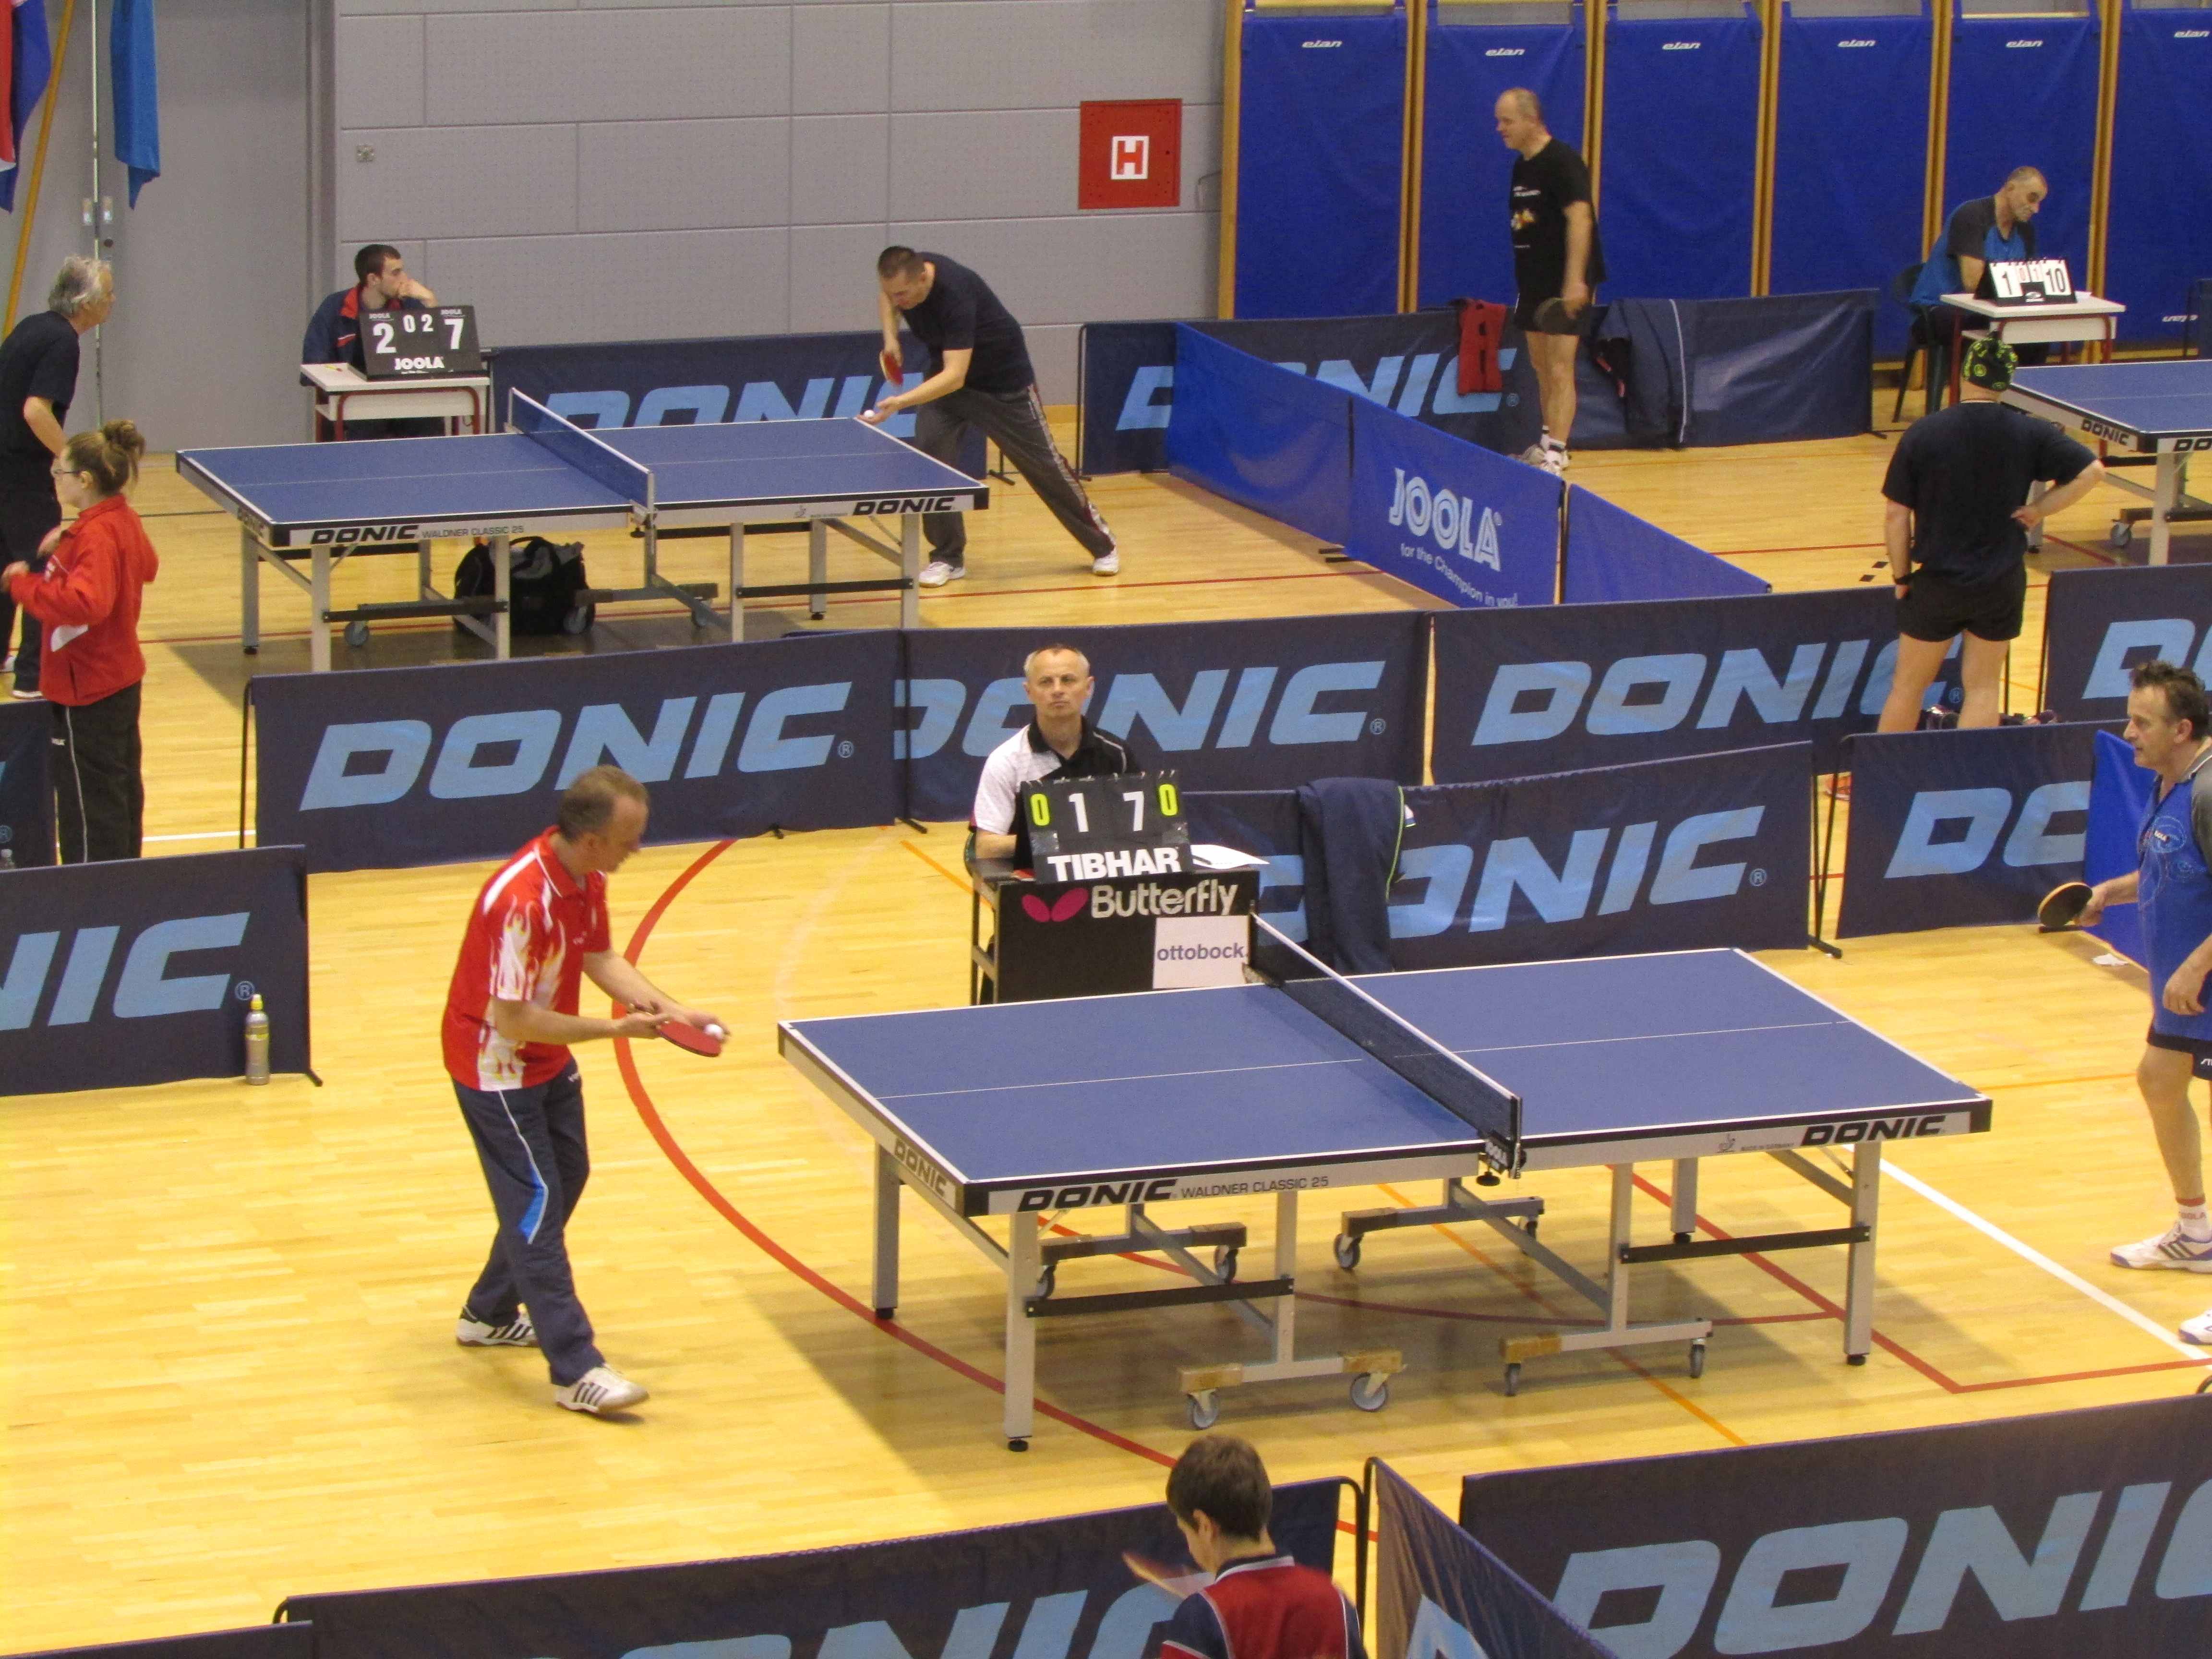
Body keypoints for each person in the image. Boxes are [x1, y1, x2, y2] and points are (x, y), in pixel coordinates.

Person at [440, 766, 722, 1415]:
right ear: (592, 839)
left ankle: (488, 1313)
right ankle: (576, 1369)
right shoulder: (521, 903)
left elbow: (599, 958)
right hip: (496, 1067)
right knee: (537, 1204)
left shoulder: (586, 876)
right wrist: (615, 1029)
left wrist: (673, 1011)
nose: (637, 850)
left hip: (546, 1055)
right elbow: (513, 1018)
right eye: (630, 839)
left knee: (567, 1174)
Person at [1875, 336, 2101, 733]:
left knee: (1908, 688)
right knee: (1982, 688)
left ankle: (1885, 771)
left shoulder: (1925, 432)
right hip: (2001, 581)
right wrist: (2039, 510)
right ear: (2006, 383)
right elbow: (2092, 472)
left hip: (1939, 582)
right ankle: (1972, 772)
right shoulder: (2030, 431)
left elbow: (1897, 514)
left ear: (1964, 374)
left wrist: (1901, 576)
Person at [864, 246, 1118, 588]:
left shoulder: (956, 294)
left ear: (923, 277)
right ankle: (947, 557)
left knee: (1044, 467)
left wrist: (901, 402)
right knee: (931, 460)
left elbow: (956, 376)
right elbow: (887, 297)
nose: (899, 301)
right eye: (893, 293)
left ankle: (1103, 545)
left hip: (1002, 387)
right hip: (947, 387)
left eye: (904, 294)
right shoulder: (904, 276)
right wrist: (891, 339)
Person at [2086, 662, 2212, 1343]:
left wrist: (2195, 965)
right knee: (2161, 1082)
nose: (2129, 733)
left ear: (2182, 729)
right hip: (2186, 995)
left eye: (2143, 722)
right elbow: (2175, 867)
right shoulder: (2170, 783)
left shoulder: (2211, 792)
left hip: (2202, 982)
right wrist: (2112, 892)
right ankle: (2196, 1234)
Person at [1, 421, 155, 862]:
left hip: (86, 688)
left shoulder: (96, 535)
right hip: (118, 678)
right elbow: (147, 564)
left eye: (60, 471)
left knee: (88, 803)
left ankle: (92, 886)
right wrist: (72, 538)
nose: (56, 478)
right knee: (119, 788)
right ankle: (123, 876)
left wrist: (24, 586)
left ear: (85, 480)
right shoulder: (119, 519)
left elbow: (87, 603)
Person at [0, 256, 113, 701]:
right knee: (41, 564)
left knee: (6, 562)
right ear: (86, 303)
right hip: (21, 471)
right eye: (109, 294)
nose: (113, 301)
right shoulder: (63, 342)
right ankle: (31, 677)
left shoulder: (33, 326)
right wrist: (69, 459)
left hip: (4, 467)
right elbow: (36, 410)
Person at [1156, 1435, 1365, 1659]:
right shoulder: (1335, 1600)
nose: (1189, 1548)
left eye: (1185, 1531)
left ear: (1204, 1526)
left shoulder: (1202, 1617)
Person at [1495, 88, 1603, 477]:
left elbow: (1581, 219)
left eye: (1507, 121)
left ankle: (1558, 453)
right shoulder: (1522, 167)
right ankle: (1545, 445)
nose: (1500, 128)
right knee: (1540, 366)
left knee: (1560, 368)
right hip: (1533, 280)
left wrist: (1575, 281)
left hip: (1564, 280)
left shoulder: (1563, 162)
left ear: (1531, 120)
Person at [970, 643, 1142, 865]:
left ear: (1088, 687)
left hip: (1103, 875)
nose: (1058, 690)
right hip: (1032, 878)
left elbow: (1145, 830)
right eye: (1046, 682)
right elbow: (986, 847)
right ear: (1029, 692)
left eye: (1068, 680)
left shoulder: (1117, 753)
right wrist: (1062, 841)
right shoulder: (1006, 761)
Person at [1907, 167, 2049, 406]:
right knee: (1996, 334)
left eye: (2039, 202)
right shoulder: (1971, 216)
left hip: (1994, 312)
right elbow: (1972, 283)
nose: (2035, 209)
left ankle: (2015, 412)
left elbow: (2027, 280)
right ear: (2011, 188)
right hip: (1939, 310)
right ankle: (1974, 409)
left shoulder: (2025, 230)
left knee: (2036, 336)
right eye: (2032, 198)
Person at [302, 244, 439, 438]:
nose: (405, 279)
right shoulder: (334, 308)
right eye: (396, 273)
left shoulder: (409, 305)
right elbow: (314, 362)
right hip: (356, 401)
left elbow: (438, 353)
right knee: (366, 423)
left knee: (429, 420)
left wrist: (430, 301)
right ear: (373, 279)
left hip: (405, 399)